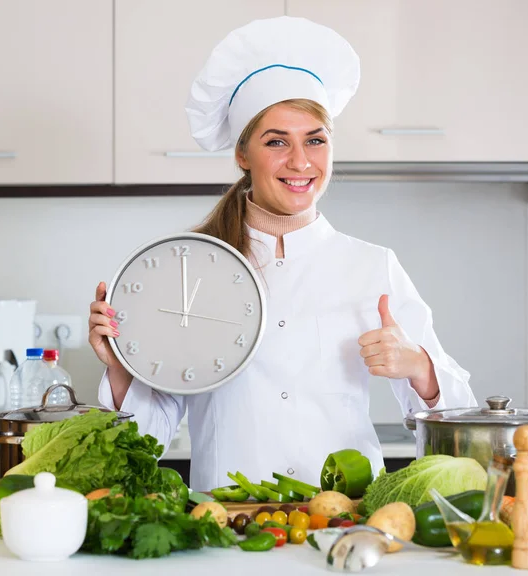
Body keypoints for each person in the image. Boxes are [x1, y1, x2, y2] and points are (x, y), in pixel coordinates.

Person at [89, 16, 477, 492]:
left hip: (344, 522)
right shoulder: (190, 267)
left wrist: (420, 367)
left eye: (315, 139)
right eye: (277, 141)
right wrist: (120, 366)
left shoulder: (372, 267)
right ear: (242, 155)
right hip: (230, 525)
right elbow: (146, 437)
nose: (300, 161)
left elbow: (460, 423)